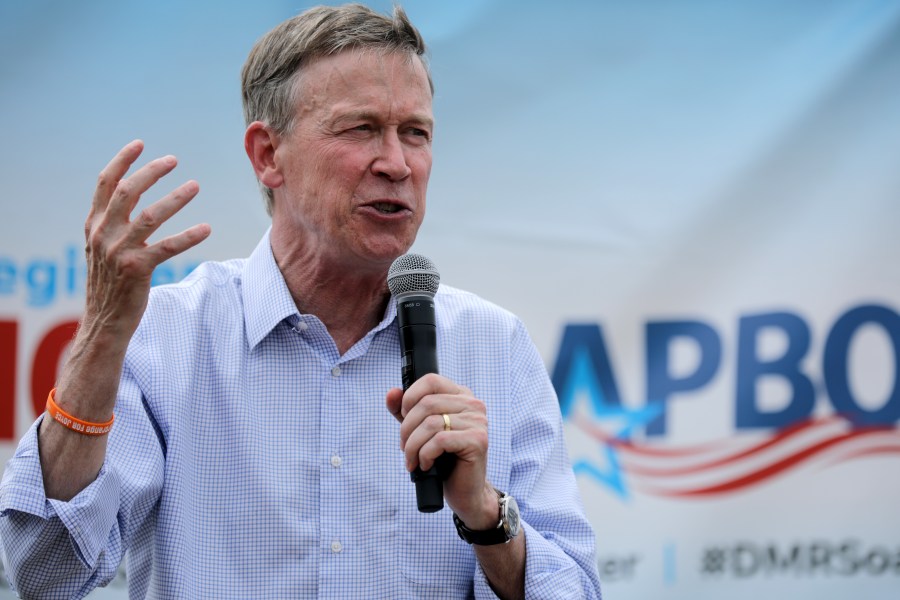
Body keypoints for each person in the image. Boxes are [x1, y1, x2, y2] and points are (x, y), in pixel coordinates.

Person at [0, 4, 602, 598]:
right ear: (268, 155)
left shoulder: (492, 342)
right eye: (360, 128)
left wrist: (484, 513)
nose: (396, 164)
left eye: (415, 133)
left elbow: (575, 591)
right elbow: (46, 575)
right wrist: (105, 332)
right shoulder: (168, 336)